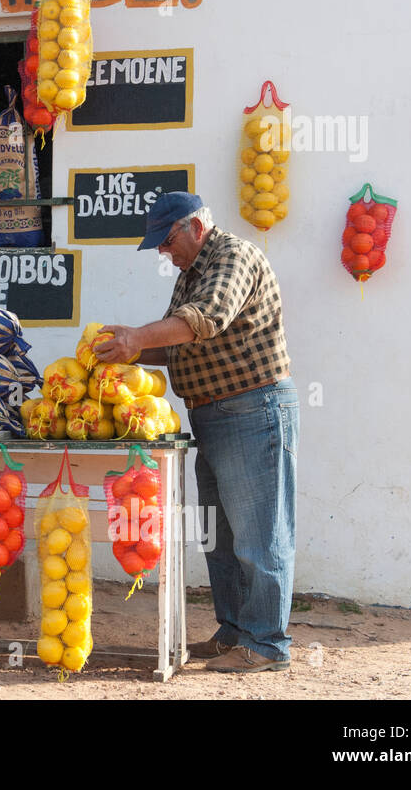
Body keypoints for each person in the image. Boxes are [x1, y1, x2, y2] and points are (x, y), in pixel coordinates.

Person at [94, 192, 298, 673]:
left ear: (195, 228)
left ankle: (267, 645)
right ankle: (235, 632)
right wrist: (129, 350)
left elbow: (204, 321)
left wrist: (139, 336)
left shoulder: (233, 256)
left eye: (166, 241)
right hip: (214, 413)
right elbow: (182, 346)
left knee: (260, 534)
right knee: (221, 535)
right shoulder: (192, 273)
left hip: (252, 408)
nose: (164, 253)